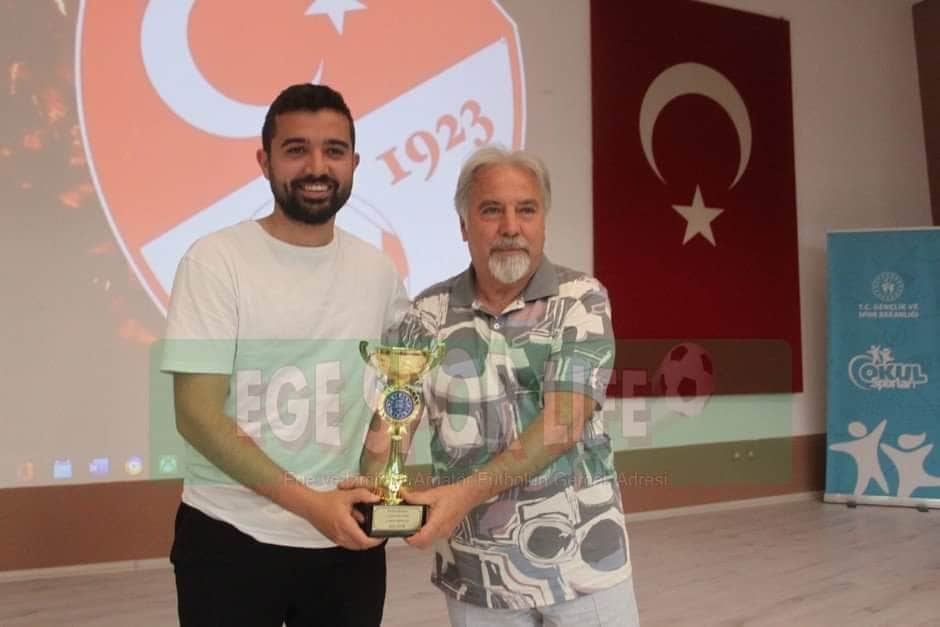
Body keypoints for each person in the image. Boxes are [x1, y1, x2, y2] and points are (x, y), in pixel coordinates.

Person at [161, 83, 409, 627]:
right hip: (231, 537)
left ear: (354, 163)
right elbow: (196, 415)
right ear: (265, 161)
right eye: (296, 149)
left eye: (333, 150)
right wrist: (313, 506)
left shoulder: (378, 272)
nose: (316, 167)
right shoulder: (215, 261)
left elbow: (398, 391)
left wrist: (375, 478)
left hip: (346, 540)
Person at [360, 146, 639, 625]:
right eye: (492, 210)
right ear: (464, 225)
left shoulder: (580, 300)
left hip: (585, 563)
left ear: (543, 222)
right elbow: (395, 418)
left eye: (526, 210)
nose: (511, 227)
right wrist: (372, 487)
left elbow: (562, 424)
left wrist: (459, 497)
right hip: (475, 574)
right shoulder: (427, 313)